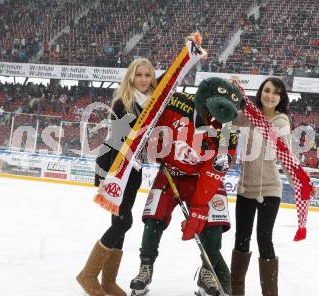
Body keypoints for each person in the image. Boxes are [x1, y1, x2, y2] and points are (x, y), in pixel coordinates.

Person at [130, 78, 245, 296]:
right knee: (154, 217)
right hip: (170, 173)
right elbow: (149, 122)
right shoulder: (176, 103)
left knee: (213, 223)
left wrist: (200, 209)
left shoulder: (228, 133)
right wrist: (154, 144)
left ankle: (206, 270)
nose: (215, 124)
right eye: (211, 116)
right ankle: (146, 266)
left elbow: (213, 173)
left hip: (202, 180)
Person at [76, 58, 157, 296]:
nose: (143, 79)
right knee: (124, 222)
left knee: (118, 223)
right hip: (116, 167)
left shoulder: (153, 102)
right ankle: (88, 274)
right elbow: (120, 139)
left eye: (147, 75)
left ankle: (109, 282)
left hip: (135, 170)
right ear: (131, 77)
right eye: (139, 75)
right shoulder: (125, 102)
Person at [230, 78, 315, 296]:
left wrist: (301, 180)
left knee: (264, 239)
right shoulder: (248, 115)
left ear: (280, 98)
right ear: (260, 92)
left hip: (270, 190)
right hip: (245, 189)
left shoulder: (281, 122)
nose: (270, 95)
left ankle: (270, 293)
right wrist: (230, 93)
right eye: (267, 90)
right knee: (241, 240)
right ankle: (236, 291)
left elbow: (286, 157)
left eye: (276, 93)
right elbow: (228, 117)